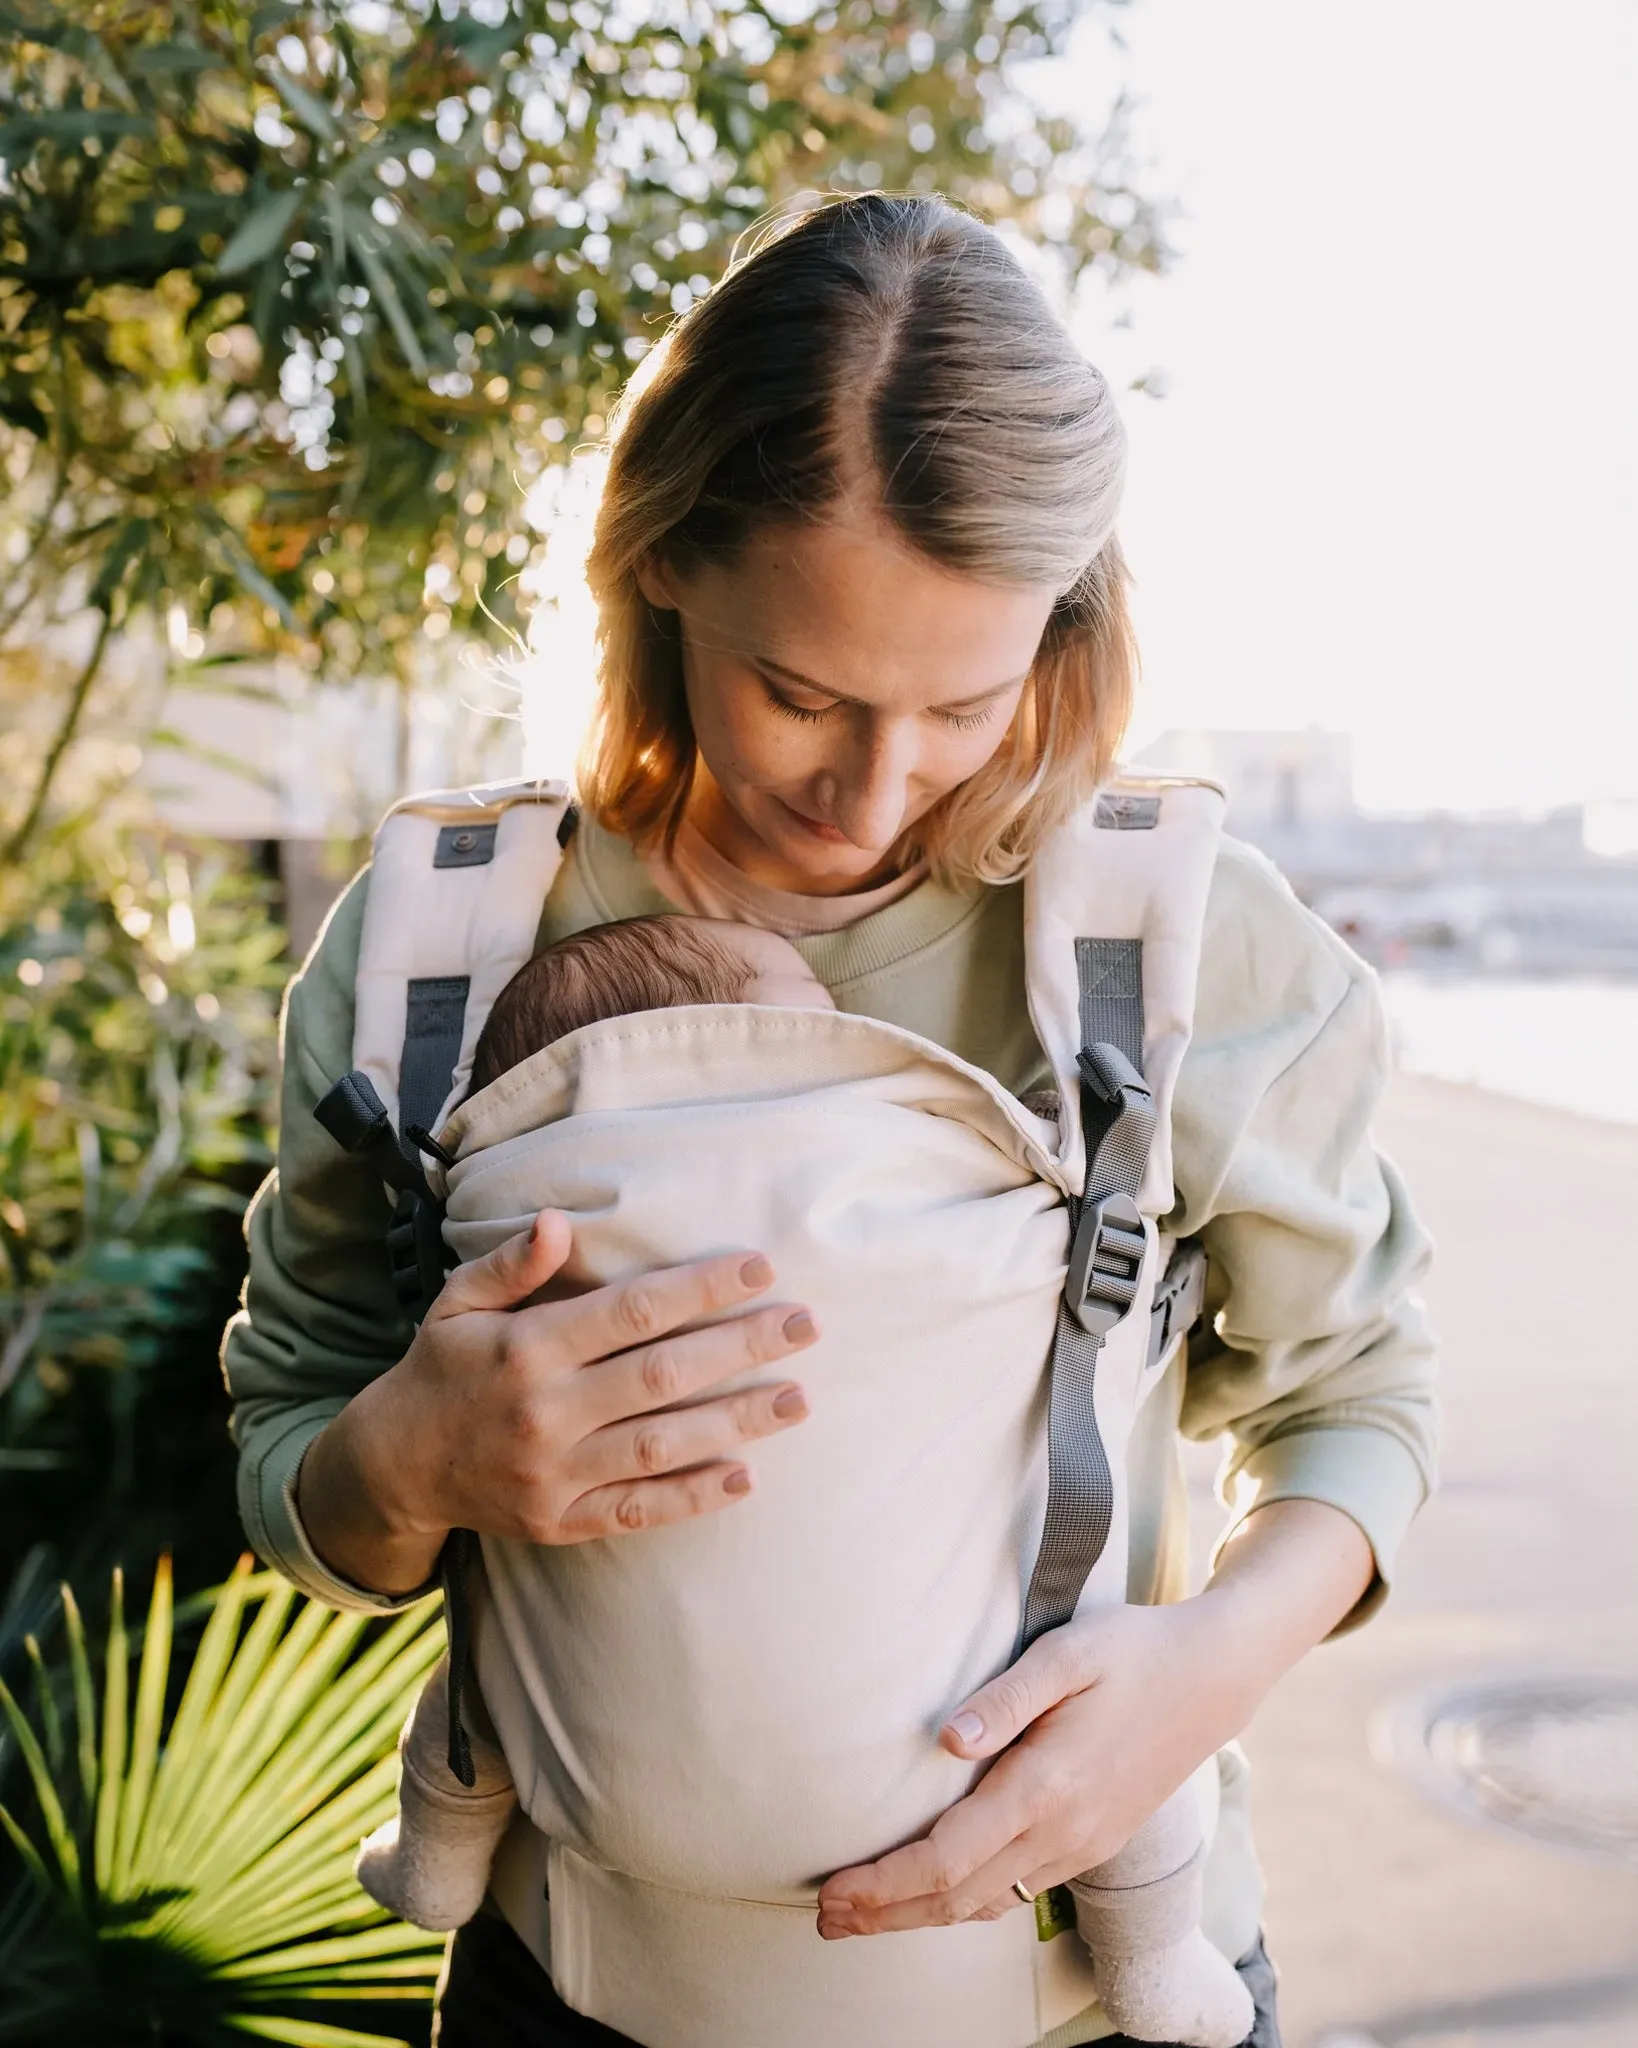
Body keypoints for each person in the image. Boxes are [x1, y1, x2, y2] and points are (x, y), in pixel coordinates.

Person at [223, 192, 1436, 2048]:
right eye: (799, 691)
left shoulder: (1175, 935)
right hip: (577, 2006)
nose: (873, 789)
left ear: (1063, 628)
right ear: (657, 569)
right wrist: (409, 1462)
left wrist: (1189, 1675)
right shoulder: (447, 945)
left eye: (961, 702)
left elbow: (1353, 1400)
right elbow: (292, 1432)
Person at [352, 909, 1255, 2048]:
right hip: (967, 1755)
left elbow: (1354, 1389)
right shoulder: (927, 1160)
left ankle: (433, 1864)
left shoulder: (506, 1207)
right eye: (811, 1022)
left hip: (586, 1776)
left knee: (474, 1699)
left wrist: (1223, 1651)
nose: (841, 1029)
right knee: (1118, 1736)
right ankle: (1157, 1959)